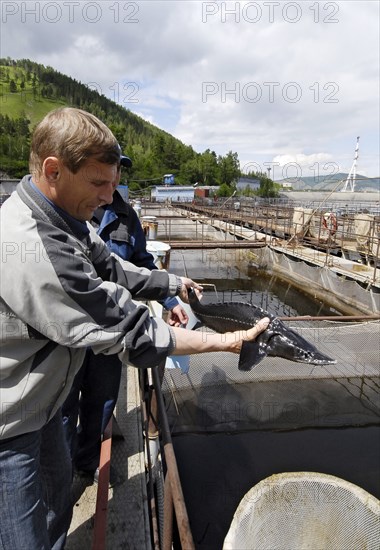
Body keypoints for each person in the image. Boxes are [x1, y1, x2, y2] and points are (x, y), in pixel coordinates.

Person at [0, 107, 270, 550]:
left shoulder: (62, 218)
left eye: (112, 182)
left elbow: (112, 266)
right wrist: (224, 340)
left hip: (42, 406)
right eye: (98, 183)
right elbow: (134, 332)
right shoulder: (37, 249)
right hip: (9, 424)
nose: (109, 197)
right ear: (53, 170)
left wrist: (172, 283)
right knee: (22, 536)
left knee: (56, 506)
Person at [62, 188, 189, 481]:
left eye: (119, 169)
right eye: (109, 167)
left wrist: (171, 300)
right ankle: (61, 469)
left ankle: (87, 461)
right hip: (71, 332)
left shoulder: (126, 216)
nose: (114, 176)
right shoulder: (68, 208)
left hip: (111, 328)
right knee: (64, 406)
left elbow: (142, 263)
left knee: (102, 400)